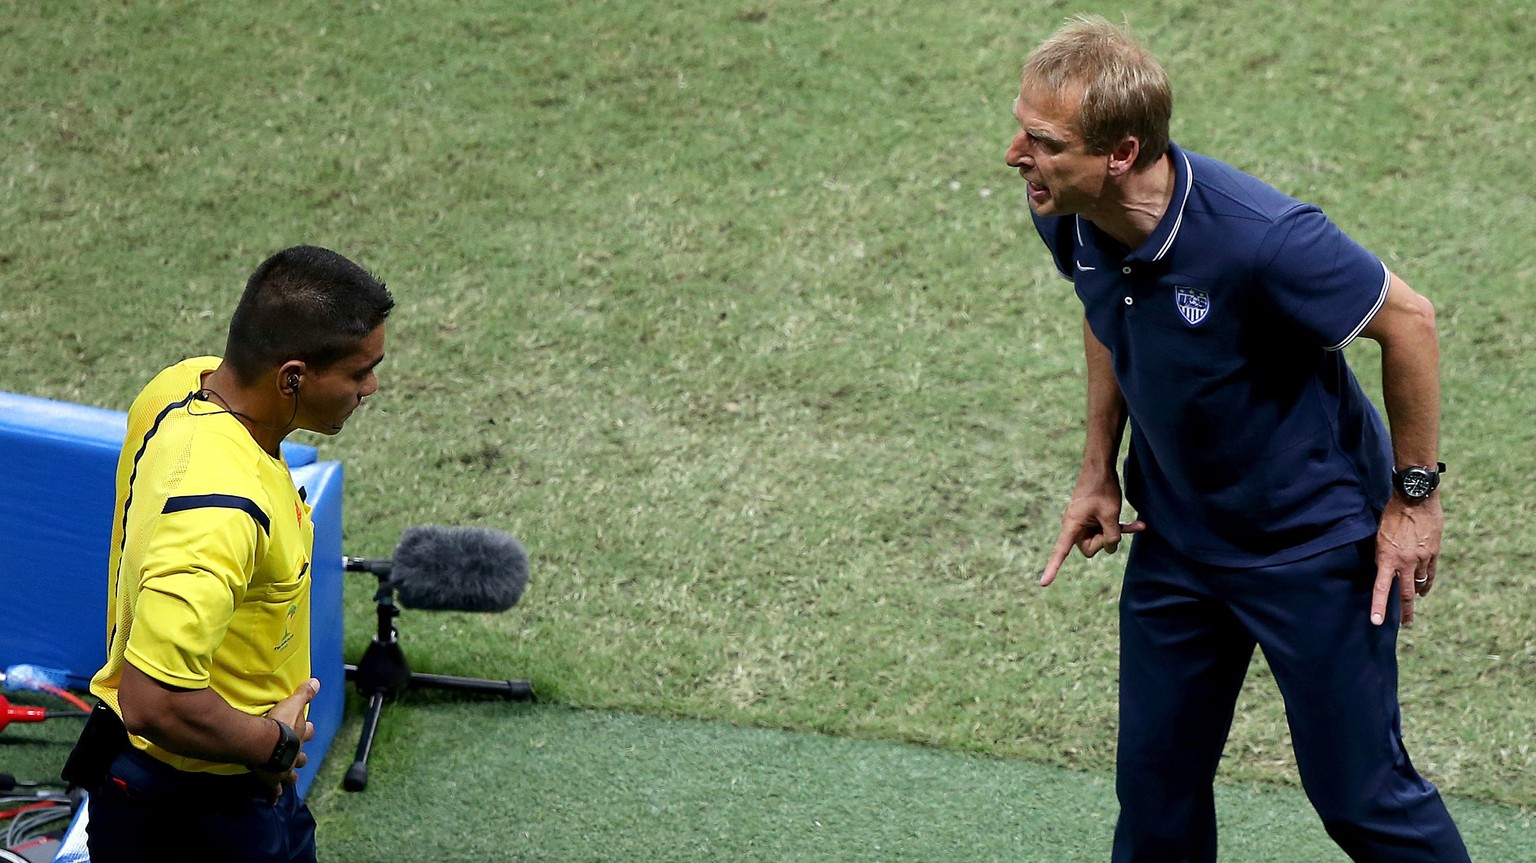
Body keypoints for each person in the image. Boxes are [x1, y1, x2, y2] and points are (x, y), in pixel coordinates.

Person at [1006, 16, 1470, 863]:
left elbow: (1411, 322)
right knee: (1154, 795)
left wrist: (1415, 500)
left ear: (1121, 152)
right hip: (1179, 543)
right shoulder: (1064, 209)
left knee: (1361, 799)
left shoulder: (1263, 238)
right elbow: (1107, 312)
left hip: (1313, 548)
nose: (1014, 155)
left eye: (1044, 141)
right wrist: (1097, 469)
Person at [82, 246, 393, 862]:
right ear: (293, 377)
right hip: (195, 806)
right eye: (360, 373)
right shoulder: (220, 510)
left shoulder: (184, 384)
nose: (372, 387)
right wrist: (271, 745)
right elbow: (154, 701)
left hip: (194, 783)